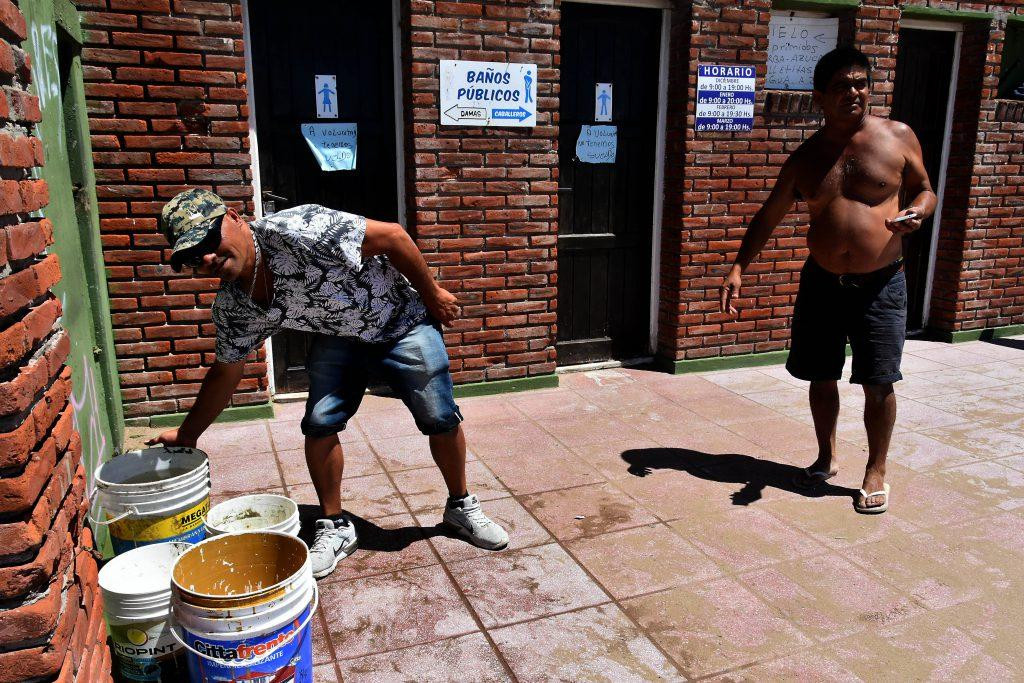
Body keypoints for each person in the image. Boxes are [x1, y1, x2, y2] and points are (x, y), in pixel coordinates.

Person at [147, 190, 509, 577]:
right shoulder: (236, 306)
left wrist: (431, 293)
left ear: (234, 217)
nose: (205, 258)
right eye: (190, 256)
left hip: (400, 321)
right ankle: (334, 526)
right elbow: (226, 372)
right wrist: (188, 433)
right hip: (338, 336)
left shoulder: (298, 229)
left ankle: (460, 507)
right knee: (319, 424)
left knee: (440, 416)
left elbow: (393, 237)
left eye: (207, 240)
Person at [719, 47, 937, 514]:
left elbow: (926, 189)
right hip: (821, 283)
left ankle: (876, 469)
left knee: (878, 380)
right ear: (819, 96)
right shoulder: (806, 157)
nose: (854, 92)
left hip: (880, 283)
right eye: (841, 85)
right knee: (821, 375)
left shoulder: (897, 137)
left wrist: (918, 212)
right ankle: (826, 455)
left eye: (860, 83)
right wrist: (739, 267)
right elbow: (769, 215)